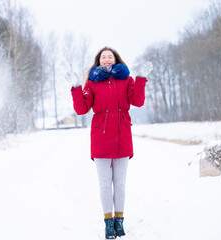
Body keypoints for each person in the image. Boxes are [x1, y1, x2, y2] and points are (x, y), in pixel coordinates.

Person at [66, 46, 153, 239]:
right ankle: (108, 224)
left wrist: (140, 79)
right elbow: (81, 109)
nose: (107, 59)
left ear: (115, 60)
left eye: (110, 56)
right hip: (101, 138)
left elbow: (137, 101)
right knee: (105, 183)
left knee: (120, 183)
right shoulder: (92, 83)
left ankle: (119, 222)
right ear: (98, 61)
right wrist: (75, 87)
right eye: (103, 57)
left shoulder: (127, 80)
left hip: (122, 136)